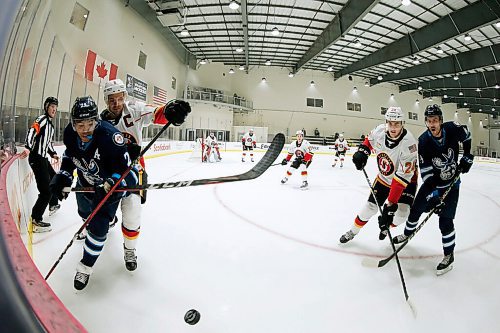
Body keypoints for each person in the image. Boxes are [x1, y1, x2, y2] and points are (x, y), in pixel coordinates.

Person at [49, 96, 189, 290]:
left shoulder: (111, 134)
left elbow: (126, 170)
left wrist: (111, 185)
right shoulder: (70, 134)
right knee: (86, 215)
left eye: (90, 124)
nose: (86, 130)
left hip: (114, 183)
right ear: (73, 124)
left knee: (116, 221)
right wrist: (63, 175)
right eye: (80, 125)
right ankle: (101, 222)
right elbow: (69, 156)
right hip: (87, 181)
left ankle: (96, 262)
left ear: (96, 121)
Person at [79, 79, 191, 273]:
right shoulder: (99, 123)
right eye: (112, 99)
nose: (116, 103)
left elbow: (158, 114)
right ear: (106, 100)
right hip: (109, 175)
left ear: (125, 97)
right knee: (103, 213)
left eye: (119, 98)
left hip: (134, 171)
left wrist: (171, 110)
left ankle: (130, 250)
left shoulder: (135, 110)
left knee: (132, 215)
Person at [392, 104, 473, 275]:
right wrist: (435, 195)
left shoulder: (452, 129)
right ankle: (407, 234)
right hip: (433, 186)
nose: (432, 124)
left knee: (445, 222)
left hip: (452, 186)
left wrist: (467, 155)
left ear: (441, 121)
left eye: (435, 120)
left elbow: (467, 135)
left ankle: (448, 255)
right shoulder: (423, 141)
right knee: (415, 210)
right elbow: (427, 174)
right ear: (426, 123)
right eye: (429, 121)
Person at [339, 106, 418, 243]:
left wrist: (390, 206)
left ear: (402, 123)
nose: (393, 127)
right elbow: (368, 141)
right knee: (370, 208)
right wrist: (363, 152)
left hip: (406, 182)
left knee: (402, 213)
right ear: (386, 121)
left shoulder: (409, 143)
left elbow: (401, 179)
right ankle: (353, 231)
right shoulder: (379, 130)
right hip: (384, 178)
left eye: (397, 124)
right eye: (390, 123)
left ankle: (387, 226)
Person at [19, 96, 61, 232]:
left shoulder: (51, 125)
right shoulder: (42, 119)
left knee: (54, 178)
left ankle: (53, 204)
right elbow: (32, 131)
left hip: (42, 158)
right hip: (36, 158)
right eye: (52, 107)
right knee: (46, 191)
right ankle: (36, 219)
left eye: (55, 107)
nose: (54, 110)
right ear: (46, 107)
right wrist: (28, 147)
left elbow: (47, 143)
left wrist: (53, 153)